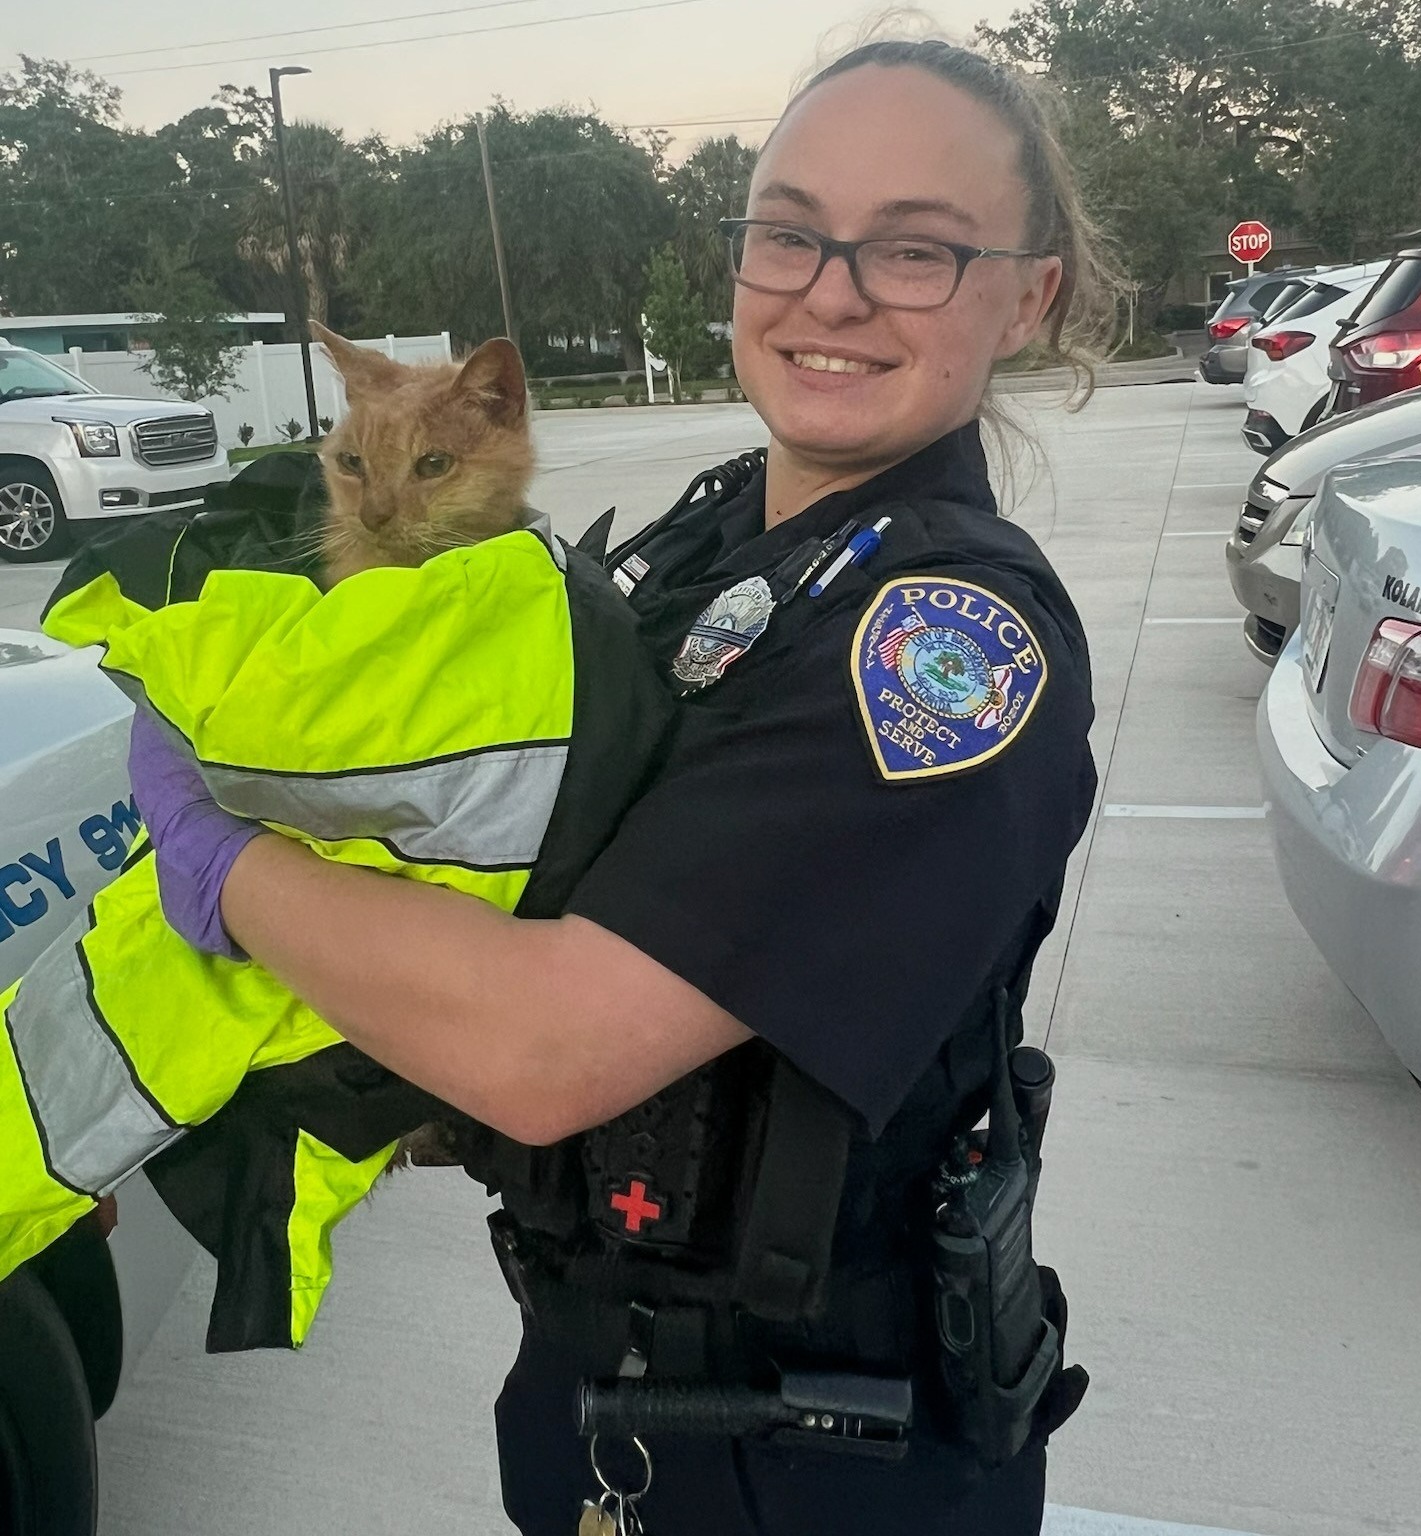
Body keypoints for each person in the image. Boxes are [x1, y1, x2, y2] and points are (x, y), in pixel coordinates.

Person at [126, 34, 1113, 1536]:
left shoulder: (939, 652)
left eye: (915, 249)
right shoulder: (710, 539)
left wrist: (219, 860)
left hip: (808, 1453)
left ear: (1029, 294)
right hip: (607, 1382)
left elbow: (545, 1050)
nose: (829, 290)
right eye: (789, 231)